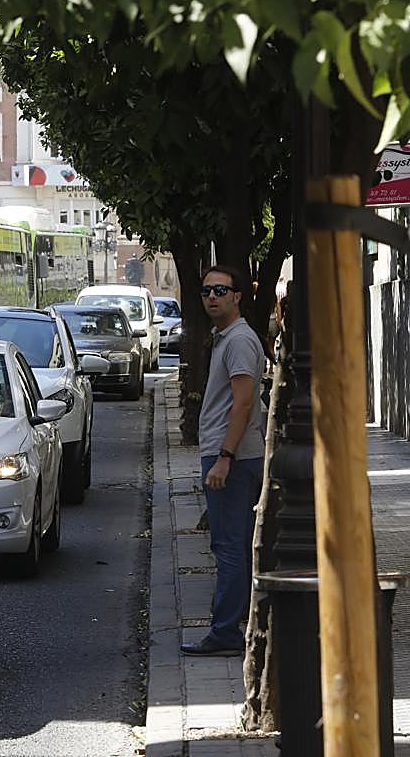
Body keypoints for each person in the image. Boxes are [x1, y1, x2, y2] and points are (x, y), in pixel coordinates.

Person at [181, 264, 266, 656]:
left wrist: (225, 457)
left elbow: (244, 402)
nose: (212, 296)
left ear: (237, 296)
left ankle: (227, 632)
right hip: (226, 453)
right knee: (233, 544)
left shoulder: (238, 341)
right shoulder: (225, 338)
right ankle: (236, 626)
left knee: (229, 545)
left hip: (231, 456)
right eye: (206, 291)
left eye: (220, 290)